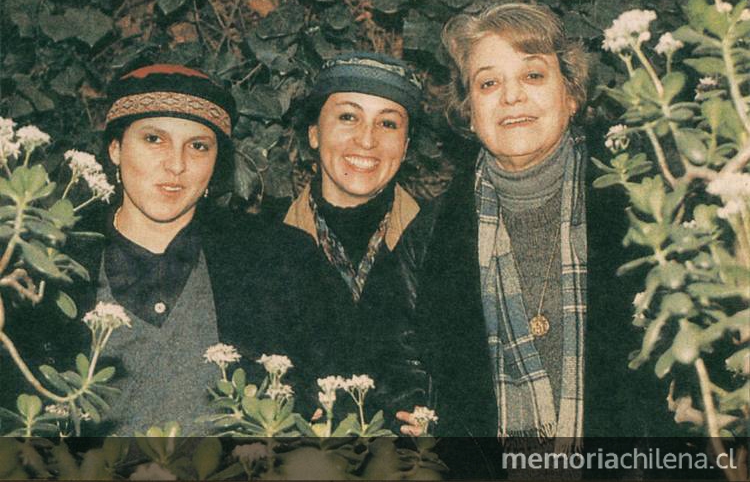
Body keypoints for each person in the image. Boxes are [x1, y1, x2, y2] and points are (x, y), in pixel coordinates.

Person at [413, 2, 671, 470]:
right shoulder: (428, 234)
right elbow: (402, 360)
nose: (511, 97)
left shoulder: (645, 208)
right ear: (469, 113)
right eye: (488, 83)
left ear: (571, 95)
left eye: (533, 76)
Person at [4, 64, 304, 435]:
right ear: (115, 149)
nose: (176, 165)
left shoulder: (275, 258)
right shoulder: (46, 264)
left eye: (197, 146)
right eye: (154, 139)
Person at [278, 52, 435, 426]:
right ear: (314, 133)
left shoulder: (440, 241)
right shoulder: (266, 248)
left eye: (388, 123)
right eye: (348, 117)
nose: (367, 140)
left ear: (407, 145)